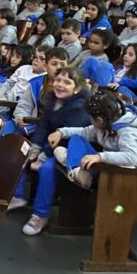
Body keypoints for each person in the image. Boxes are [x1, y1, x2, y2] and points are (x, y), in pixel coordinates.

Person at [15, 67, 93, 234]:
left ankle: (40, 215)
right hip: (51, 145)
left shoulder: (80, 107)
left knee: (47, 168)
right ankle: (17, 195)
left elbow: (65, 138)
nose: (60, 85)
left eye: (67, 82)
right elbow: (44, 125)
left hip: (72, 151)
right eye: (58, 80)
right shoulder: (52, 99)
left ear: (77, 88)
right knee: (24, 151)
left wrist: (43, 156)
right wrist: (35, 148)